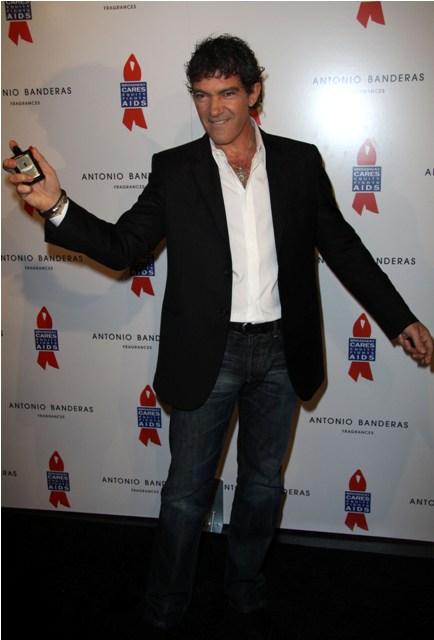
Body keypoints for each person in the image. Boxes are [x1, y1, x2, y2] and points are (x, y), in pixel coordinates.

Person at [3, 34, 432, 640]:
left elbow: (342, 247)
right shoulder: (175, 169)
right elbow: (125, 247)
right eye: (201, 96)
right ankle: (164, 605)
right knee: (185, 493)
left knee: (262, 486)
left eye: (227, 93)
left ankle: (245, 586)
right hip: (209, 353)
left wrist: (400, 318)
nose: (213, 108)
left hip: (282, 352)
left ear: (254, 93)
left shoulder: (299, 162)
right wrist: (58, 206)